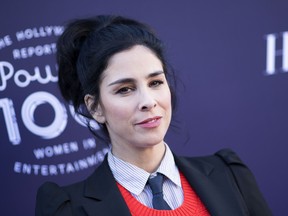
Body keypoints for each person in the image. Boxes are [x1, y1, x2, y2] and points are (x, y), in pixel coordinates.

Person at [35, 15, 272, 216]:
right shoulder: (68, 207)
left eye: (156, 82)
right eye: (124, 89)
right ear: (95, 107)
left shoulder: (229, 174)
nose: (148, 101)